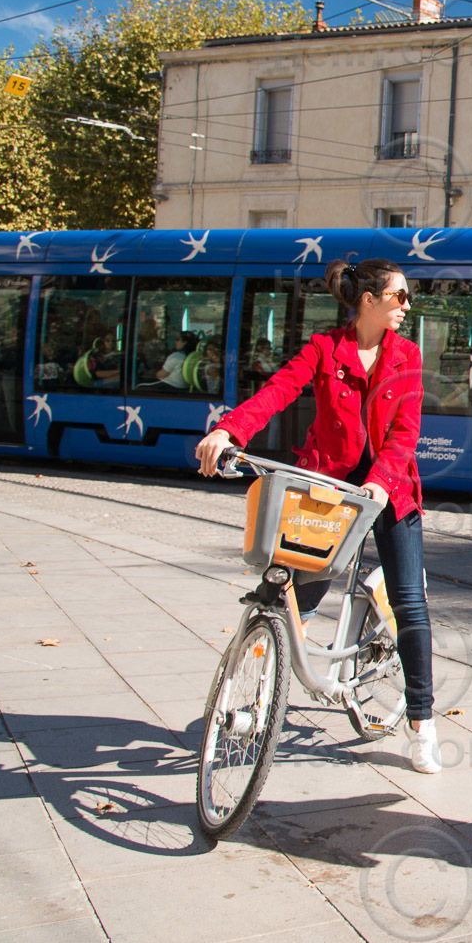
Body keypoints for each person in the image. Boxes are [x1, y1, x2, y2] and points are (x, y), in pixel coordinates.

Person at [194, 259, 440, 774]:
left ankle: (422, 723)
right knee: (293, 593)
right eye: (400, 297)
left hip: (390, 491)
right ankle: (259, 692)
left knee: (410, 606)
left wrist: (380, 479)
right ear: (368, 300)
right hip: (329, 490)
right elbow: (276, 392)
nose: (406, 306)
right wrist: (229, 432)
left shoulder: (408, 356)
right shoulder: (325, 350)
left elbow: (405, 433)